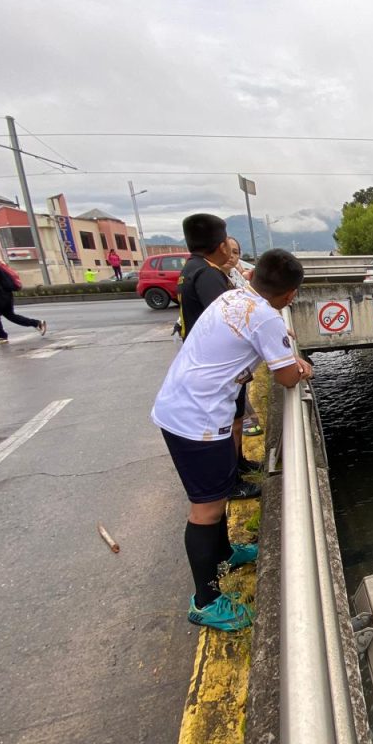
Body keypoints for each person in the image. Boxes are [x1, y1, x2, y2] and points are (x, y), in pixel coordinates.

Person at [152, 248, 313, 630]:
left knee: (218, 497)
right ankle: (206, 602)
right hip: (198, 421)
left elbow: (260, 336)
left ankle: (226, 552)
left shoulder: (235, 296)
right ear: (290, 296)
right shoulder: (265, 318)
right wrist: (301, 366)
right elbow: (287, 376)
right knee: (205, 510)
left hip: (187, 407)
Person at [177, 216, 259, 500]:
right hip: (218, 366)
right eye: (227, 242)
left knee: (235, 420)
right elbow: (229, 319)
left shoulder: (192, 269)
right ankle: (232, 480)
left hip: (206, 362)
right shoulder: (208, 274)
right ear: (221, 244)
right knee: (227, 424)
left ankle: (239, 463)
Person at [221, 238, 263, 437]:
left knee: (237, 401)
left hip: (237, 358)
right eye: (228, 251)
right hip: (226, 357)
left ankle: (239, 459)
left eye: (236, 252)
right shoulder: (211, 279)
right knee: (229, 409)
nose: (231, 256)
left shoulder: (234, 277)